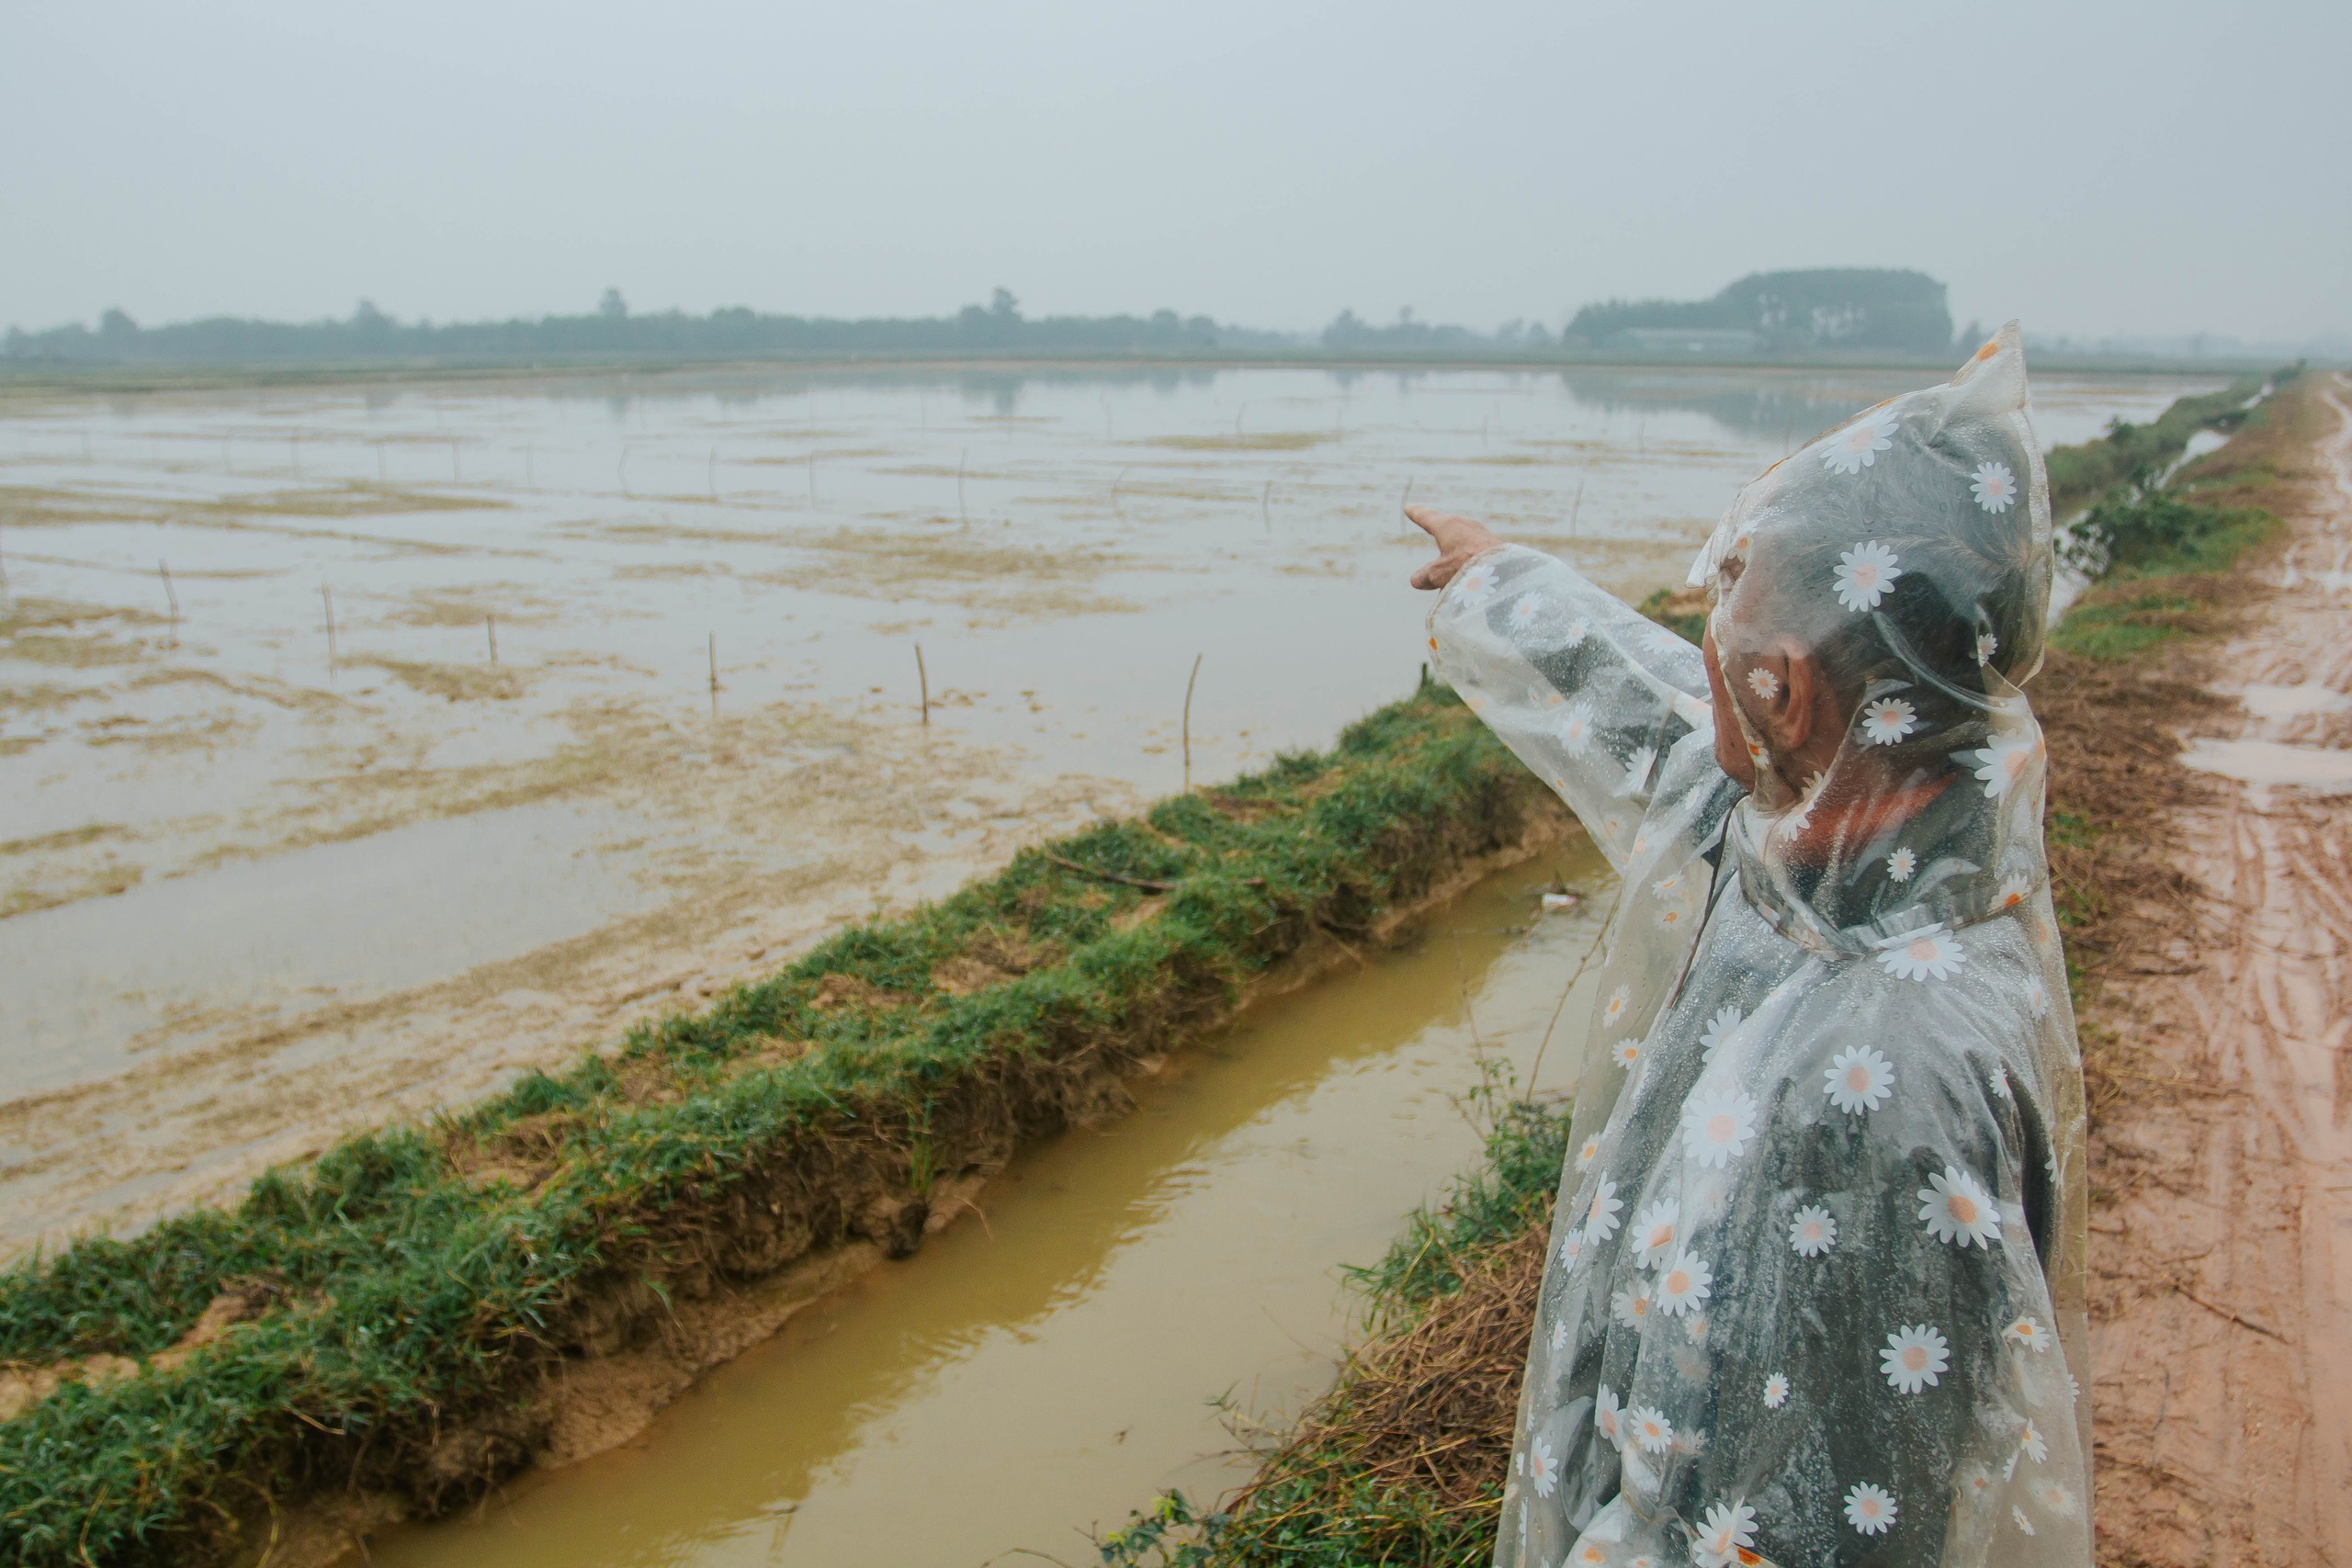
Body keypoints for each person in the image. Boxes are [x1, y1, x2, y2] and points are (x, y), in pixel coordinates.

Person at [1408, 324, 2089, 1567]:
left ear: (1794, 691)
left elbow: (1814, 1528)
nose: (1709, 629)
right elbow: (1669, 727)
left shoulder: (1886, 1090)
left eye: (1735, 604)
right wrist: (1504, 582)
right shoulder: (1838, 833)